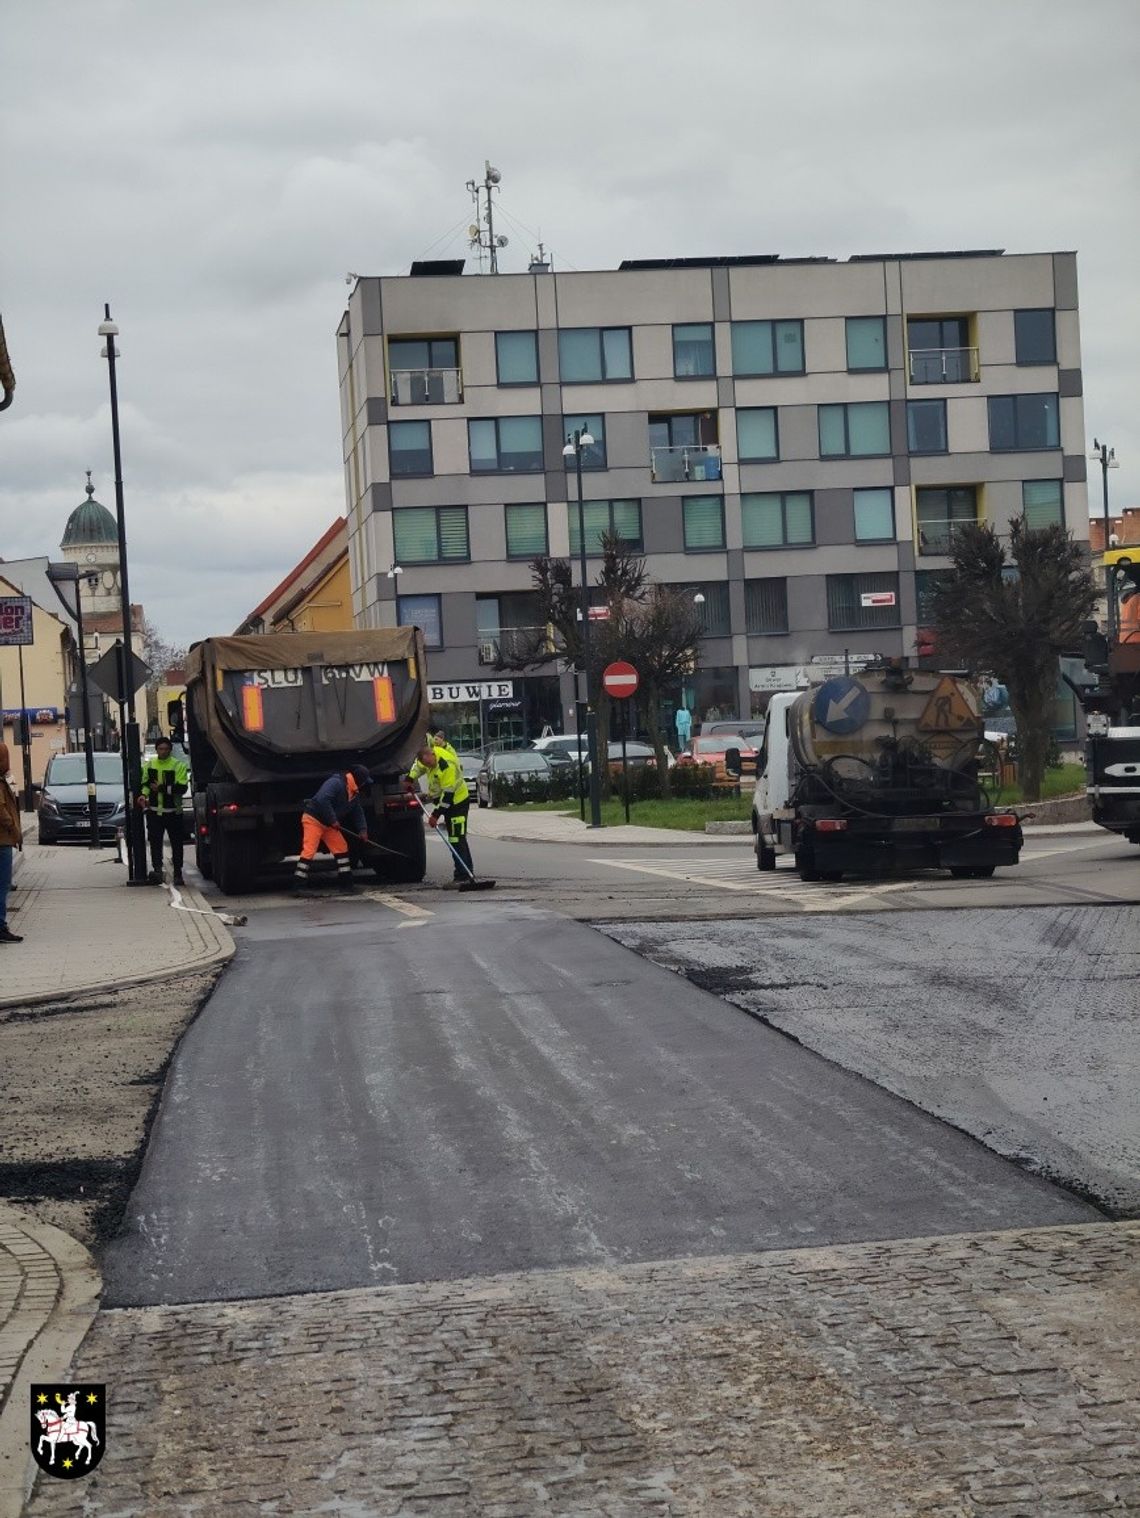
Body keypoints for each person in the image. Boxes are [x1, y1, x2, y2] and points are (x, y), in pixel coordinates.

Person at [294, 763, 372, 893]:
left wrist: (362, 830)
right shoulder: (336, 783)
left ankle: (346, 884)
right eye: (364, 782)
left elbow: (357, 811)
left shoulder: (353, 792)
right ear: (359, 780)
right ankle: (298, 885)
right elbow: (322, 800)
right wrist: (333, 820)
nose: (365, 785)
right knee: (309, 850)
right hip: (314, 819)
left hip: (328, 824)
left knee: (341, 848)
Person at [409, 742, 473, 884]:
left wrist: (435, 815)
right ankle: (463, 872)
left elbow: (448, 796)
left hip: (458, 803)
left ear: (432, 755)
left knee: (457, 839)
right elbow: (418, 767)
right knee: (455, 839)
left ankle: (464, 875)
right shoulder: (429, 756)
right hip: (448, 804)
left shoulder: (446, 765)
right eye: (426, 764)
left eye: (429, 763)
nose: (428, 767)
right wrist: (410, 778)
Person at [137, 736, 189, 885]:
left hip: (174, 812)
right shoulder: (150, 764)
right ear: (156, 750)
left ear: (170, 750)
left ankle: (178, 873)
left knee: (177, 844)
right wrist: (143, 795)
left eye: (166, 749)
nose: (163, 751)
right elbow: (146, 784)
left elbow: (182, 788)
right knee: (155, 843)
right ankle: (157, 870)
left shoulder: (177, 765)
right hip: (155, 812)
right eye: (161, 749)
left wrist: (161, 788)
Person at [0, 742, 23, 944]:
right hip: (2, 839)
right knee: (3, 883)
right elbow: (1, 811)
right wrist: (13, 829)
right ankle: (0, 926)